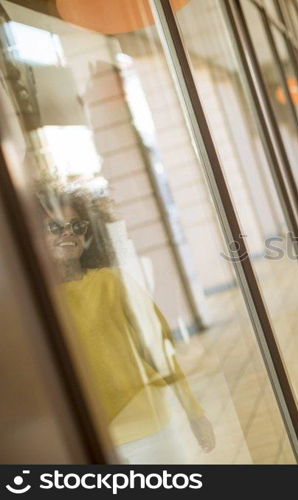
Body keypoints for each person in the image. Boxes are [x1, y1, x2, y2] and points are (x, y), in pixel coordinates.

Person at [37, 183, 215, 463]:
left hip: (147, 430)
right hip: (85, 440)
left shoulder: (114, 281)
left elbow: (159, 350)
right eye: (55, 228)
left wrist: (194, 412)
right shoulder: (37, 305)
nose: (68, 232)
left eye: (77, 225)